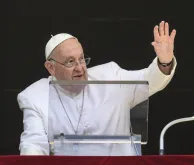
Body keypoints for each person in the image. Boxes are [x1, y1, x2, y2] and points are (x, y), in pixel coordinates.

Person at [17, 21, 177, 155]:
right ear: (50, 68)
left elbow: (149, 80)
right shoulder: (35, 96)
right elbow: (33, 145)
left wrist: (164, 61)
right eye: (70, 62)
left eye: (81, 59)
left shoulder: (110, 76)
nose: (80, 68)